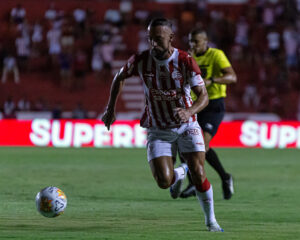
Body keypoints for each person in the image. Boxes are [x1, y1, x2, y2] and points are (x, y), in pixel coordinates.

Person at [102, 18, 223, 232]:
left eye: (158, 39)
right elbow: (119, 77)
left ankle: (211, 221)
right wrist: (110, 109)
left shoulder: (185, 60)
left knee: (199, 171)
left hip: (187, 125)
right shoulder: (141, 60)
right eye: (150, 40)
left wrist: (189, 111)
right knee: (163, 181)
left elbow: (203, 97)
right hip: (158, 128)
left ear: (171, 38)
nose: (154, 44)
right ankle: (179, 174)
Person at [179, 28, 237, 200]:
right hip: (195, 105)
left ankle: (224, 178)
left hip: (213, 104)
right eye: (190, 41)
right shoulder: (187, 57)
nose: (193, 45)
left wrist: (211, 80)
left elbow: (232, 77)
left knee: (202, 145)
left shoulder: (216, 55)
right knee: (185, 145)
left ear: (206, 41)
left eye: (196, 41)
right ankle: (195, 183)